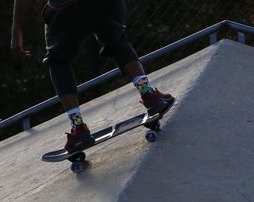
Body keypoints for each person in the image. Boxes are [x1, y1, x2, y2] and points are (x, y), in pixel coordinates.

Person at [11, 0, 174, 151]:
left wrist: (16, 34)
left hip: (62, 8)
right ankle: (148, 94)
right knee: (116, 40)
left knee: (57, 61)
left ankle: (78, 127)